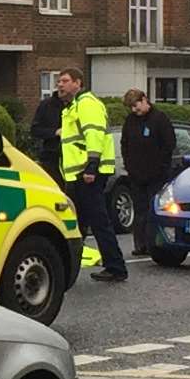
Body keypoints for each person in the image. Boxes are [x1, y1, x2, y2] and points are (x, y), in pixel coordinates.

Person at [57, 67, 127, 283]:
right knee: (80, 224)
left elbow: (94, 135)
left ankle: (115, 267)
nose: (60, 84)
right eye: (59, 81)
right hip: (78, 174)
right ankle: (72, 270)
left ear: (78, 83)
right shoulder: (74, 106)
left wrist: (91, 167)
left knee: (96, 221)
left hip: (87, 174)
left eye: (65, 81)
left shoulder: (87, 104)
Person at [119, 88, 175, 256]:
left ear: (145, 100)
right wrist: (129, 166)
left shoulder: (159, 119)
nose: (134, 110)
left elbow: (169, 144)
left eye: (136, 106)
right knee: (140, 211)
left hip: (156, 175)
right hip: (136, 175)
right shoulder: (130, 121)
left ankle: (154, 244)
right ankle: (140, 244)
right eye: (131, 108)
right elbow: (125, 144)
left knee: (154, 210)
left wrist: (161, 168)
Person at [28, 87, 67, 183]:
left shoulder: (77, 105)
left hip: (73, 158)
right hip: (51, 157)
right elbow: (35, 130)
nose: (62, 85)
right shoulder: (46, 105)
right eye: (60, 82)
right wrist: (55, 132)